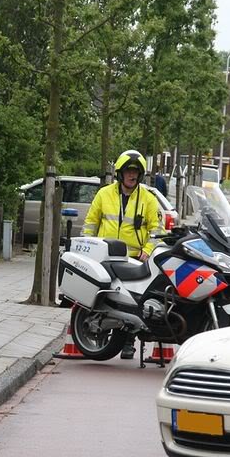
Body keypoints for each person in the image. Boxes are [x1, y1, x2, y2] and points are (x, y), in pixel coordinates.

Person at [82, 149, 161, 359]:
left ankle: (128, 342)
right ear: (120, 173)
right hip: (105, 256)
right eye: (128, 171)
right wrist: (86, 247)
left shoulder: (148, 199)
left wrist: (148, 250)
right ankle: (98, 330)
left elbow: (157, 230)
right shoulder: (104, 194)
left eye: (135, 172)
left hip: (135, 258)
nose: (132, 175)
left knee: (134, 302)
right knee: (109, 299)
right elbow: (90, 223)